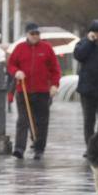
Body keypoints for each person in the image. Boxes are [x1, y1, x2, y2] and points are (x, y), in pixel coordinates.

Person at [7, 22, 62, 160]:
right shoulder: (19, 48)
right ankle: (19, 148)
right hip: (23, 90)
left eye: (37, 33)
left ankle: (39, 148)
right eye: (32, 33)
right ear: (27, 34)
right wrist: (16, 72)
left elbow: (55, 69)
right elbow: (11, 64)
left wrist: (55, 85)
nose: (35, 36)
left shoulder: (47, 48)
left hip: (42, 91)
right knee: (23, 121)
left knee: (41, 122)